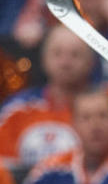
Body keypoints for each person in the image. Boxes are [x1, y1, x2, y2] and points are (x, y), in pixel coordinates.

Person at [0, 25, 93, 168]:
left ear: (90, 62)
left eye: (75, 54)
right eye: (57, 54)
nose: (65, 63)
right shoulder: (17, 109)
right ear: (44, 59)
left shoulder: (99, 113)